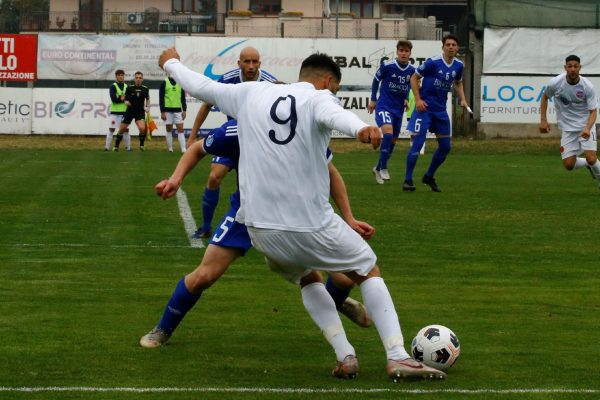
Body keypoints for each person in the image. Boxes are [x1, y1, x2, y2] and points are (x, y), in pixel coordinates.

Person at [160, 48, 445, 381]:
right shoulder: (318, 98)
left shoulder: (249, 93)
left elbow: (199, 86)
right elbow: (337, 116)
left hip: (261, 231)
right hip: (309, 224)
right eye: (335, 91)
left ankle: (346, 355)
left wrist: (170, 62)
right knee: (367, 268)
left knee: (309, 276)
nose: (333, 96)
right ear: (326, 82)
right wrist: (361, 129)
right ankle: (397, 356)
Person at [140, 119, 374, 349]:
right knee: (206, 275)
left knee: (339, 278)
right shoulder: (240, 127)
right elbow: (197, 148)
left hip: (294, 214)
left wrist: (349, 217)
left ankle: (336, 303)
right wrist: (175, 179)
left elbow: (330, 171)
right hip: (247, 211)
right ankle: (163, 328)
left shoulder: (301, 127)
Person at [188, 46, 277, 239]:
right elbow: (206, 104)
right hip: (232, 137)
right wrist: (193, 135)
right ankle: (205, 227)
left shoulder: (270, 83)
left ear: (260, 64)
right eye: (247, 61)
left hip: (258, 141)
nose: (251, 66)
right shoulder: (228, 80)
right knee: (214, 177)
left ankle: (264, 228)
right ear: (239, 63)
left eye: (255, 62)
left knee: (255, 186)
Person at [403, 34, 469, 192]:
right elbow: (414, 78)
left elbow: (458, 83)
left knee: (446, 146)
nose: (451, 47)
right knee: (418, 144)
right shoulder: (433, 62)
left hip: (440, 110)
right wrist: (418, 100)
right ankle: (408, 180)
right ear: (443, 47)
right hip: (424, 108)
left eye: (454, 45)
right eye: (448, 45)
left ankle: (429, 176)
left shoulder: (459, 65)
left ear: (457, 48)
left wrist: (463, 99)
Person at [540, 54, 600, 187]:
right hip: (568, 128)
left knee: (591, 157)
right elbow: (544, 97)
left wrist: (587, 128)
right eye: (570, 66)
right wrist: (543, 120)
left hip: (585, 125)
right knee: (568, 165)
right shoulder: (555, 83)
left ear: (580, 68)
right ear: (565, 68)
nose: (573, 69)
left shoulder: (587, 87)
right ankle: (588, 164)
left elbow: (593, 111)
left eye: (576, 66)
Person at [367, 40, 415, 184]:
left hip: (398, 109)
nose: (403, 53)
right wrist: (373, 100)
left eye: (406, 51)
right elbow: (376, 81)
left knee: (392, 142)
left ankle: (378, 167)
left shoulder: (412, 70)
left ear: (410, 53)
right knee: (387, 134)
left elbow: (408, 86)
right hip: (384, 106)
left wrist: (406, 98)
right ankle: (384, 168)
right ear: (397, 52)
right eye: (401, 50)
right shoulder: (388, 66)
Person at [113, 71, 150, 152]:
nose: (138, 79)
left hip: (140, 112)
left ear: (142, 79)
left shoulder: (145, 88)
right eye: (137, 78)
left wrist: (147, 107)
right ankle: (116, 146)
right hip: (130, 111)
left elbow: (147, 98)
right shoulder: (129, 88)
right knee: (122, 129)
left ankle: (142, 146)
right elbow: (126, 98)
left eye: (140, 78)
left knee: (142, 128)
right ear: (134, 78)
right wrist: (126, 102)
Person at [159, 75, 187, 153]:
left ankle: (183, 149)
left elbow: (183, 98)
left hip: (178, 110)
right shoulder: (164, 82)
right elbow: (161, 98)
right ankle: (170, 149)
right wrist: (162, 111)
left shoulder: (180, 83)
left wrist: (184, 110)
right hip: (167, 111)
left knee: (181, 129)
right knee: (169, 129)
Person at [105, 69, 129, 151]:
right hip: (115, 113)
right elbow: (113, 99)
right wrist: (122, 98)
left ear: (123, 76)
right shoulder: (113, 86)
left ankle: (128, 148)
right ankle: (107, 148)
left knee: (125, 130)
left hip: (125, 112)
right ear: (116, 77)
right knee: (111, 129)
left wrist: (120, 97)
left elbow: (129, 98)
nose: (120, 77)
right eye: (119, 75)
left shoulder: (127, 86)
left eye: (122, 75)